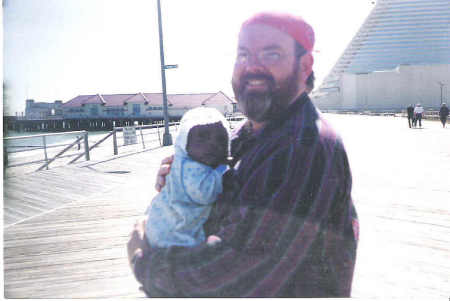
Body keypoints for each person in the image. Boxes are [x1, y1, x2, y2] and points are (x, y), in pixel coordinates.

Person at [128, 12, 358, 297]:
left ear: (305, 65)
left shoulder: (302, 145)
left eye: (271, 54)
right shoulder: (245, 136)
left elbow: (236, 271)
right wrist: (181, 181)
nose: (251, 67)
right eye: (243, 55)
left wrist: (142, 259)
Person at [145, 107, 229, 248]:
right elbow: (205, 194)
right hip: (172, 234)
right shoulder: (191, 167)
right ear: (184, 143)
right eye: (202, 137)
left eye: (221, 139)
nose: (212, 144)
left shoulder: (179, 163)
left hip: (157, 228)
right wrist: (223, 169)